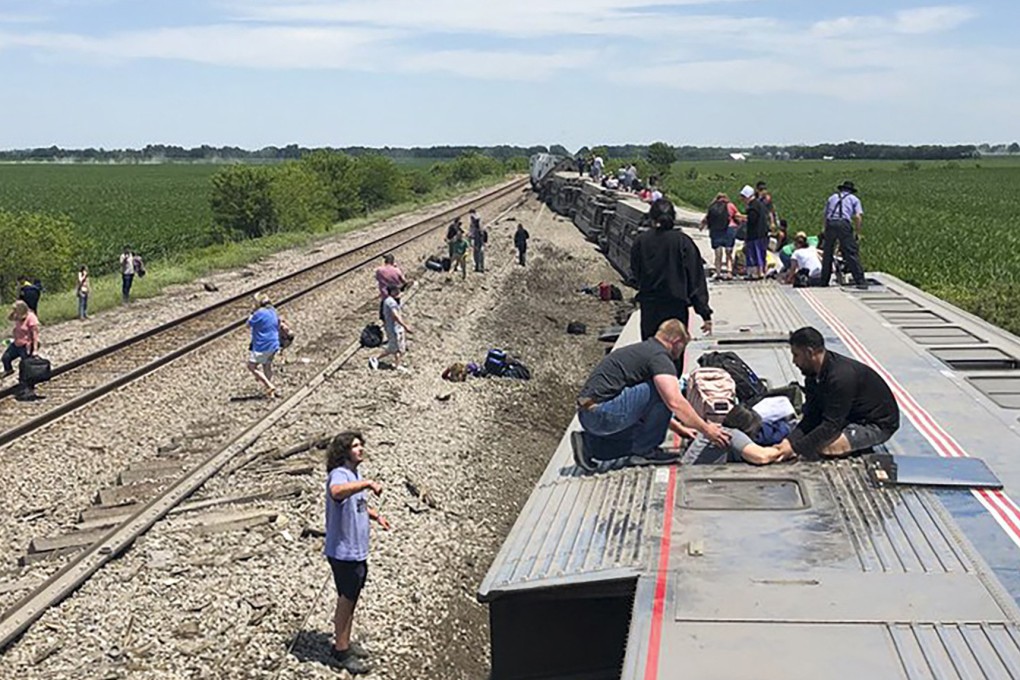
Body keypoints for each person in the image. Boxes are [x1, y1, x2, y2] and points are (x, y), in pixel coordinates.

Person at [571, 319, 730, 470]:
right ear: (675, 340)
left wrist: (679, 428)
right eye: (683, 346)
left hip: (589, 414)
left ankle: (590, 445)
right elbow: (674, 402)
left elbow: (647, 404)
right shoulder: (659, 357)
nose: (682, 351)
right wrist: (707, 430)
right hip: (603, 414)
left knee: (640, 434)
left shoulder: (644, 350)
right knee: (666, 389)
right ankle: (646, 452)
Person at [772, 327, 899, 461]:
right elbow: (812, 416)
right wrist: (789, 441)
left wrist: (795, 450)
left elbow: (831, 425)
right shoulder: (812, 375)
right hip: (848, 416)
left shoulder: (840, 378)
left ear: (809, 353)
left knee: (825, 448)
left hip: (876, 424)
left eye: (796, 355)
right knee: (810, 441)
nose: (794, 362)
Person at [323, 431, 390, 675]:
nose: (361, 449)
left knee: (351, 598)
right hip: (343, 552)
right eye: (355, 446)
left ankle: (345, 643)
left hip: (357, 551)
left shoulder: (354, 474)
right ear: (344, 452)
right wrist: (367, 483)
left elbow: (357, 503)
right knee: (346, 599)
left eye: (361, 445)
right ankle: (340, 651)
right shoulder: (340, 474)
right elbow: (337, 492)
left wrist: (376, 516)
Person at [631, 198, 713, 341]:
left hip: (650, 306)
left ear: (652, 217)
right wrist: (704, 313)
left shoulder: (641, 241)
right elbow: (695, 280)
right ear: (673, 217)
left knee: (652, 354)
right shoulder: (683, 242)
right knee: (674, 352)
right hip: (676, 307)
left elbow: (635, 273)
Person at [819, 181, 867, 289]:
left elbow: (825, 215)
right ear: (851, 191)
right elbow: (858, 217)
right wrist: (858, 232)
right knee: (850, 252)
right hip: (844, 224)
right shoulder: (854, 199)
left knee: (828, 253)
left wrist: (824, 229)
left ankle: (824, 281)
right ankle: (860, 281)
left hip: (831, 223)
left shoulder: (832, 197)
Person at [3, 300, 41, 400]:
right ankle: (9, 370)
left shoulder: (31, 318)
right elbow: (9, 318)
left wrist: (35, 350)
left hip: (26, 346)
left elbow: (35, 335)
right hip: (16, 344)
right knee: (6, 358)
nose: (14, 311)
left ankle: (27, 390)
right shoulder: (18, 316)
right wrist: (13, 312)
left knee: (25, 369)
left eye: (15, 309)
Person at [369, 285, 412, 371]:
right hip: (393, 328)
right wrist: (405, 326)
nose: (397, 292)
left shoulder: (390, 300)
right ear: (390, 292)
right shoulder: (391, 302)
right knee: (394, 348)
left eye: (398, 290)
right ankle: (375, 358)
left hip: (396, 328)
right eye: (395, 290)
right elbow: (395, 315)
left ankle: (397, 365)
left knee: (399, 348)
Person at [246, 292, 281, 398]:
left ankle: (269, 385)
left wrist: (252, 313)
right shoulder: (273, 311)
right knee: (267, 365)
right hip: (274, 343)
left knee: (251, 366)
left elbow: (248, 324)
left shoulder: (258, 314)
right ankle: (271, 393)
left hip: (263, 345)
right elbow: (278, 324)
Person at [700, 193, 736, 280]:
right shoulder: (730, 205)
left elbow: (707, 218)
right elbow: (737, 215)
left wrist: (702, 226)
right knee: (728, 252)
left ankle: (718, 272)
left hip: (715, 231)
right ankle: (729, 272)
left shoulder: (712, 206)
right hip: (729, 230)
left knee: (718, 253)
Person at [739, 185, 769, 280]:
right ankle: (761, 272)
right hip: (762, 233)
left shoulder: (753, 206)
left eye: (743, 197)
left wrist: (742, 218)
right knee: (761, 254)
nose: (742, 200)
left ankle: (755, 273)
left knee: (755, 254)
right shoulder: (760, 204)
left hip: (755, 234)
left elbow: (752, 219)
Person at [374, 254, 406, 320]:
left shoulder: (379, 270)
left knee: (383, 315)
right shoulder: (397, 270)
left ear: (385, 261)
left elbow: (377, 278)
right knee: (396, 312)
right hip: (395, 295)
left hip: (385, 295)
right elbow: (404, 281)